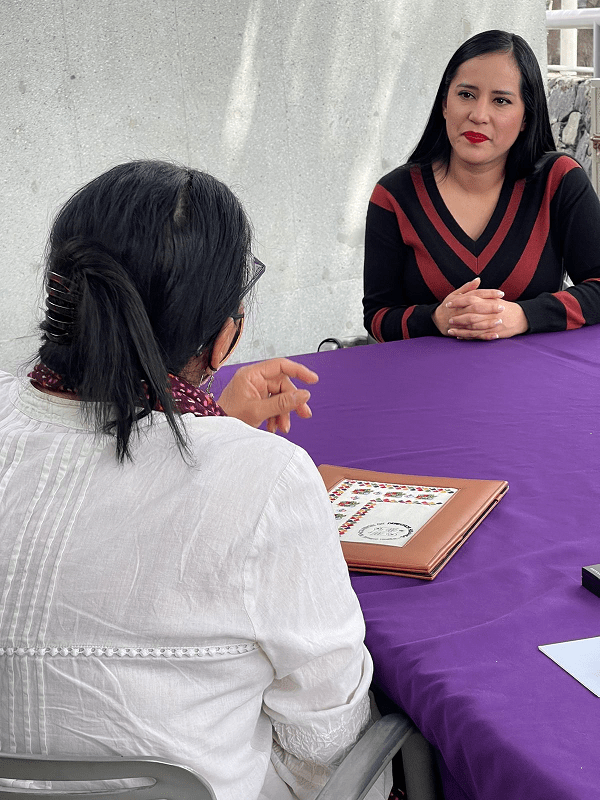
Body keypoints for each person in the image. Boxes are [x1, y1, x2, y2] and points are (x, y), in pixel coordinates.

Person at [0, 162, 387, 800]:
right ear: (223, 334)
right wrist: (221, 446)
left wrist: (212, 423)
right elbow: (326, 734)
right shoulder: (268, 479)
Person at [363, 29, 600, 342]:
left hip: (538, 371)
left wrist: (524, 315)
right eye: (466, 95)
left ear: (526, 118)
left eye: (501, 100)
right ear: (444, 103)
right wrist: (436, 318)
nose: (479, 115)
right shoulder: (394, 195)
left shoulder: (559, 180)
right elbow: (377, 316)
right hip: (429, 372)